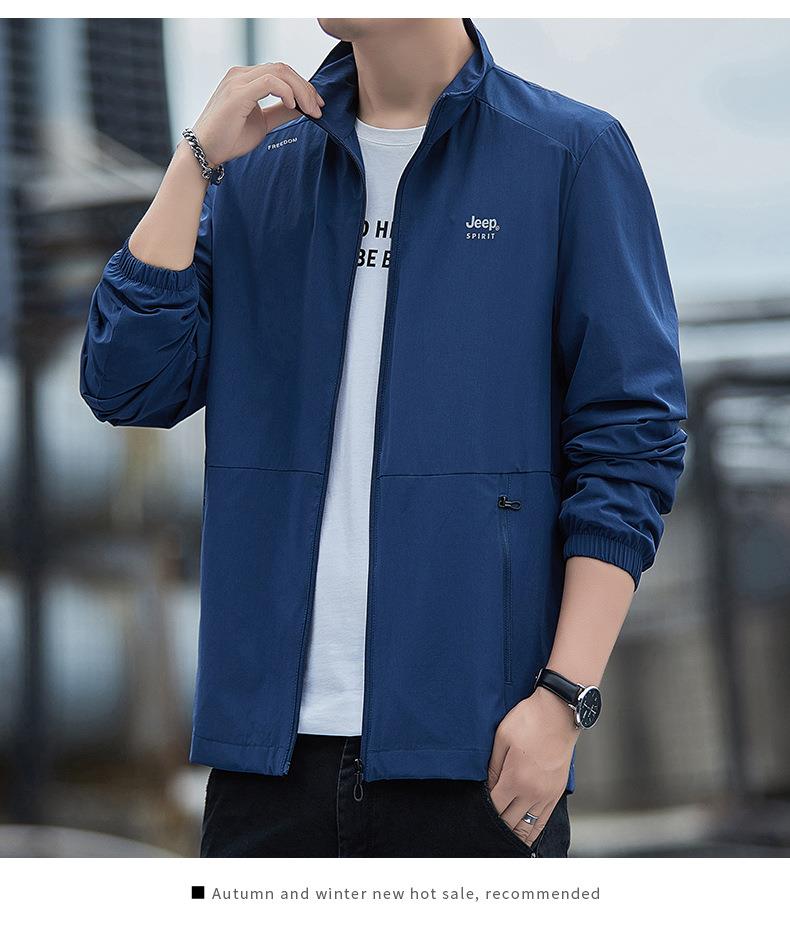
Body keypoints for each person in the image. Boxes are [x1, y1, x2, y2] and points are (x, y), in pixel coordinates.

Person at [80, 18, 687, 858]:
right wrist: (194, 165)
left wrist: (562, 700)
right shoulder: (258, 166)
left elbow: (631, 440)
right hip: (264, 761)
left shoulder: (567, 153)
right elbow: (126, 384)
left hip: (478, 754)